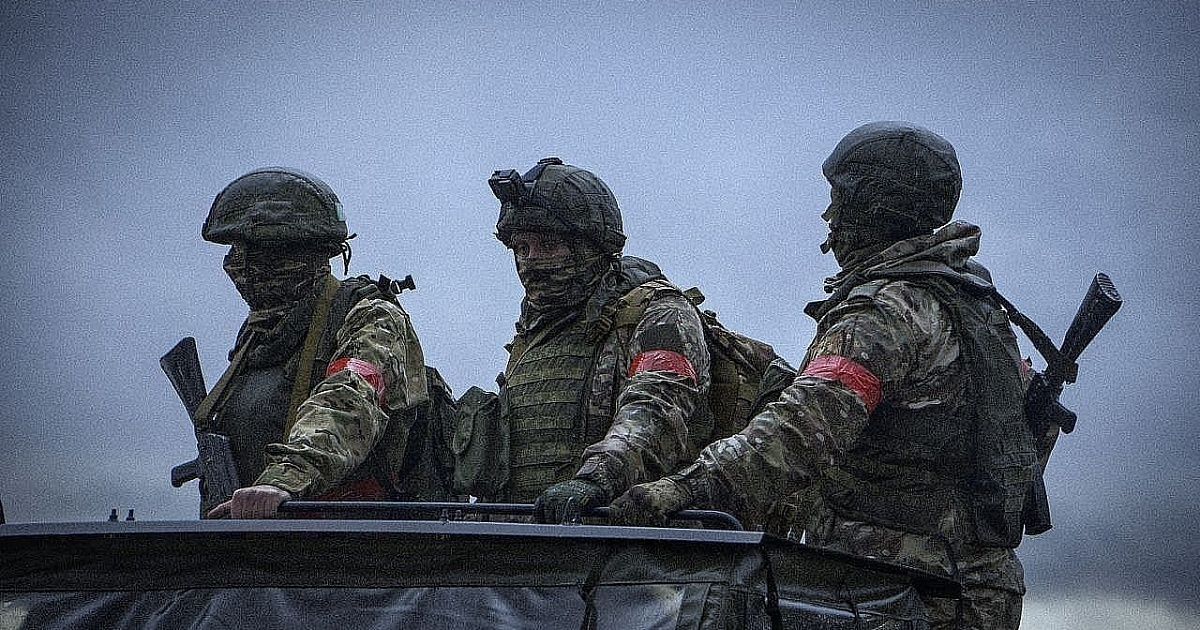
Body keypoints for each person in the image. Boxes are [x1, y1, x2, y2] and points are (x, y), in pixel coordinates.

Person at [610, 123, 1036, 629]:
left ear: (872, 205)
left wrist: (679, 490)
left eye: (839, 199)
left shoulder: (885, 313)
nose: (828, 217)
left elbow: (801, 432)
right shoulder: (974, 306)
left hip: (897, 591)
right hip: (972, 589)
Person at [485, 157, 712, 524]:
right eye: (521, 248)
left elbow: (657, 405)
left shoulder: (659, 313)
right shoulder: (532, 335)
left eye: (547, 245)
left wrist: (597, 479)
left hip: (628, 542)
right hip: (530, 540)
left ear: (591, 247)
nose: (530, 261)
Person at [200, 167, 432, 519]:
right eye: (237, 251)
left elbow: (349, 399)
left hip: (346, 541)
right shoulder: (258, 337)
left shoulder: (370, 316)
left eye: (262, 252)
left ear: (310, 252)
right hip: (253, 539)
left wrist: (284, 480)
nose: (242, 266)